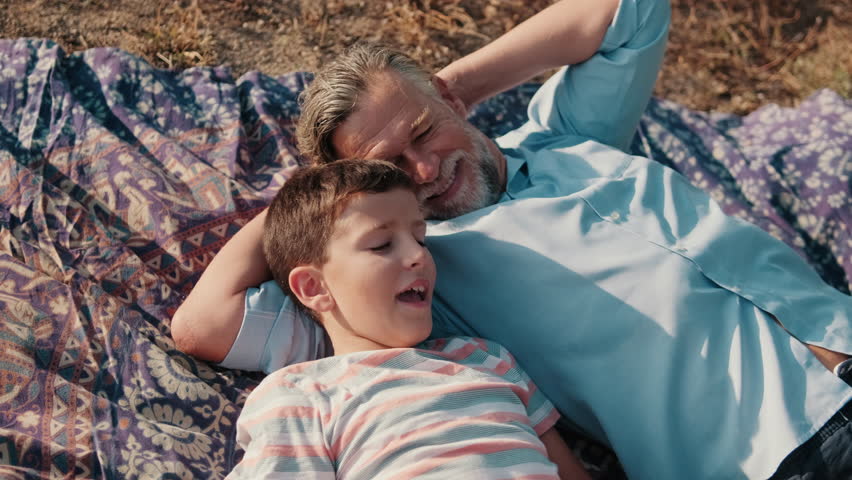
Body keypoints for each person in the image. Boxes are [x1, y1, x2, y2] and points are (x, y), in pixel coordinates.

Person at [173, 0, 852, 478]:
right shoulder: (423, 278)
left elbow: (632, 10)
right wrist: (330, 191)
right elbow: (204, 324)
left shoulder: (564, 138)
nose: (427, 170)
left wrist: (455, 86)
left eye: (422, 133)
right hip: (777, 456)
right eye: (392, 168)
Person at [225, 159, 590, 480]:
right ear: (313, 286)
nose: (418, 255)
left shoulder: (486, 358)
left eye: (421, 238)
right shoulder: (302, 393)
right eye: (382, 245)